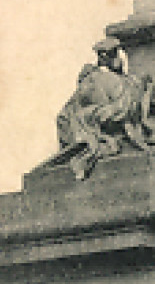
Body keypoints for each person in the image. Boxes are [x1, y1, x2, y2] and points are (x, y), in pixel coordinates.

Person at [52, 37, 146, 180]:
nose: (118, 58)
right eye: (113, 54)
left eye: (116, 53)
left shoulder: (123, 80)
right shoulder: (100, 80)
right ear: (104, 57)